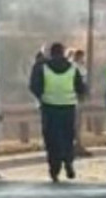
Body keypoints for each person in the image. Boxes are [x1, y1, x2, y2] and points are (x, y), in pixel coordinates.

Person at [29, 42, 88, 182]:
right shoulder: (73, 68)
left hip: (49, 108)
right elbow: (81, 88)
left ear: (51, 53)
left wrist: (41, 97)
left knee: (51, 140)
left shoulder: (43, 68)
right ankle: (68, 162)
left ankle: (54, 170)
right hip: (68, 107)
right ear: (63, 53)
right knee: (68, 137)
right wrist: (78, 96)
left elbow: (34, 85)